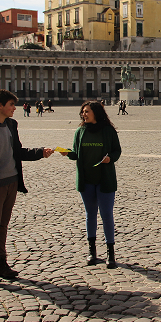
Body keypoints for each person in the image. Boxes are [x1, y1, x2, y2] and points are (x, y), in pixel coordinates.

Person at [0, 89, 53, 287]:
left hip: (11, 182)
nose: (14, 108)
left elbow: (18, 151)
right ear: (0, 106)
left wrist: (40, 152)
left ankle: (0, 264)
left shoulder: (11, 125)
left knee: (3, 225)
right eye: (11, 105)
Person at [61, 101, 122, 269]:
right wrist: (67, 153)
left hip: (105, 179)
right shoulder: (80, 132)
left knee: (107, 215)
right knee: (90, 214)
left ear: (96, 112)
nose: (84, 114)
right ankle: (92, 251)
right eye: (82, 112)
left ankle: (110, 252)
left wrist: (110, 158)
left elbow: (117, 151)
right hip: (86, 180)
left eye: (87, 111)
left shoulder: (108, 131)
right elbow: (76, 153)